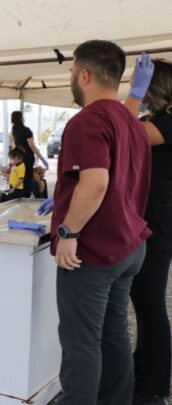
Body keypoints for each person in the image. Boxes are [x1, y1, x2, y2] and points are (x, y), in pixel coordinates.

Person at [50, 40, 151, 405]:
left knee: (81, 343)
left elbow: (95, 182)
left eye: (71, 71)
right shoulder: (131, 121)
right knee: (113, 334)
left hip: (95, 250)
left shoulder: (87, 120)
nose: (71, 78)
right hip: (128, 244)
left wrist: (68, 232)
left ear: (84, 75)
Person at [124, 53, 172, 405]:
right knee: (143, 300)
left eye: (140, 85)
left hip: (159, 223)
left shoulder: (167, 122)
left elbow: (122, 132)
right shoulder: (155, 120)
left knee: (150, 303)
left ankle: (154, 385)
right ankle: (142, 368)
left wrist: (134, 95)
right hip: (147, 221)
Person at [10, 110, 48, 197]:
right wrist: (41, 158)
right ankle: (30, 197)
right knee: (28, 180)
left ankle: (22, 197)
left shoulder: (13, 130)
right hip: (27, 158)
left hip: (19, 159)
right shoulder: (26, 130)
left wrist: (13, 159)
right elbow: (32, 146)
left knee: (21, 179)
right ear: (21, 118)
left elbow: (14, 145)